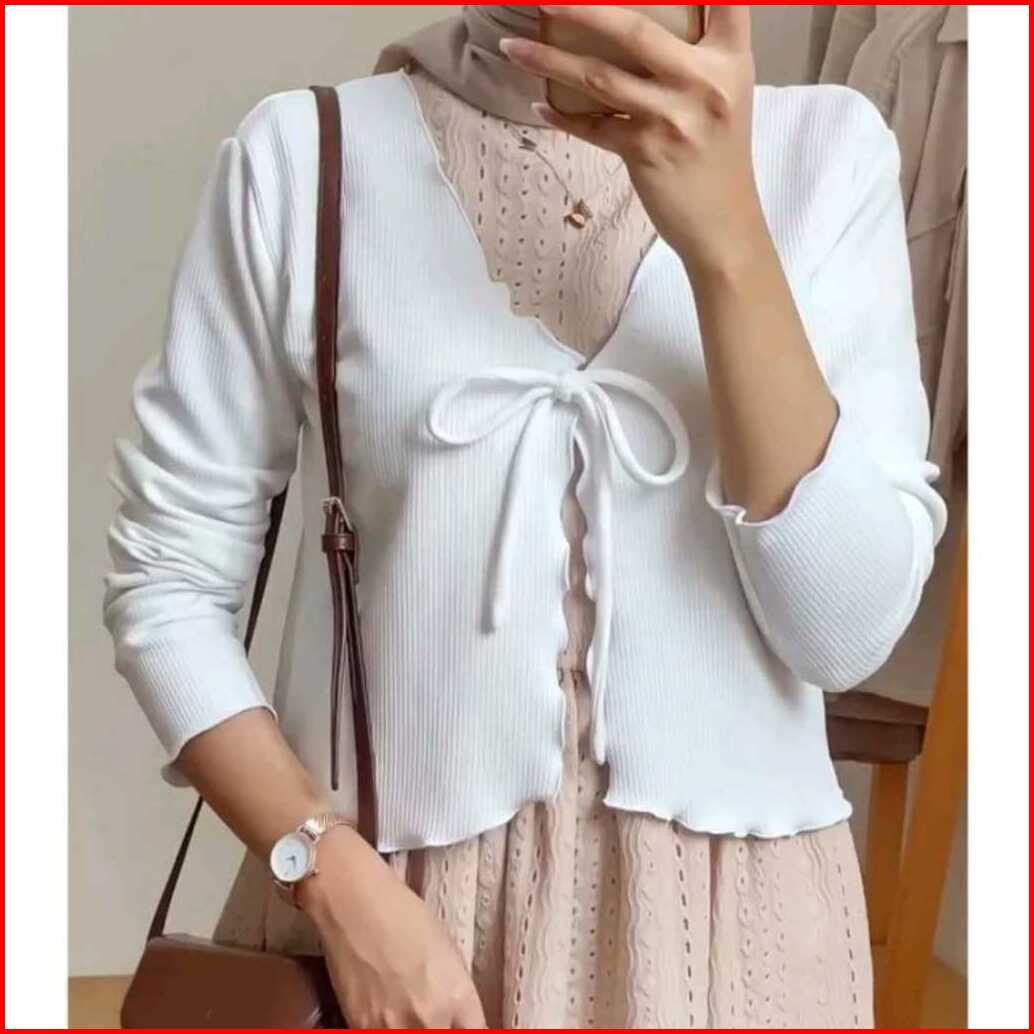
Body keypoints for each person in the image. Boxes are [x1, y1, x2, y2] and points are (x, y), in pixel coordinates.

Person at [103, 6, 947, 1029]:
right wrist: (330, 876)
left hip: (737, 947)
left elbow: (843, 634)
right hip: (395, 937)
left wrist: (729, 241)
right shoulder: (306, 155)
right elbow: (168, 584)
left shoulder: (825, 153)